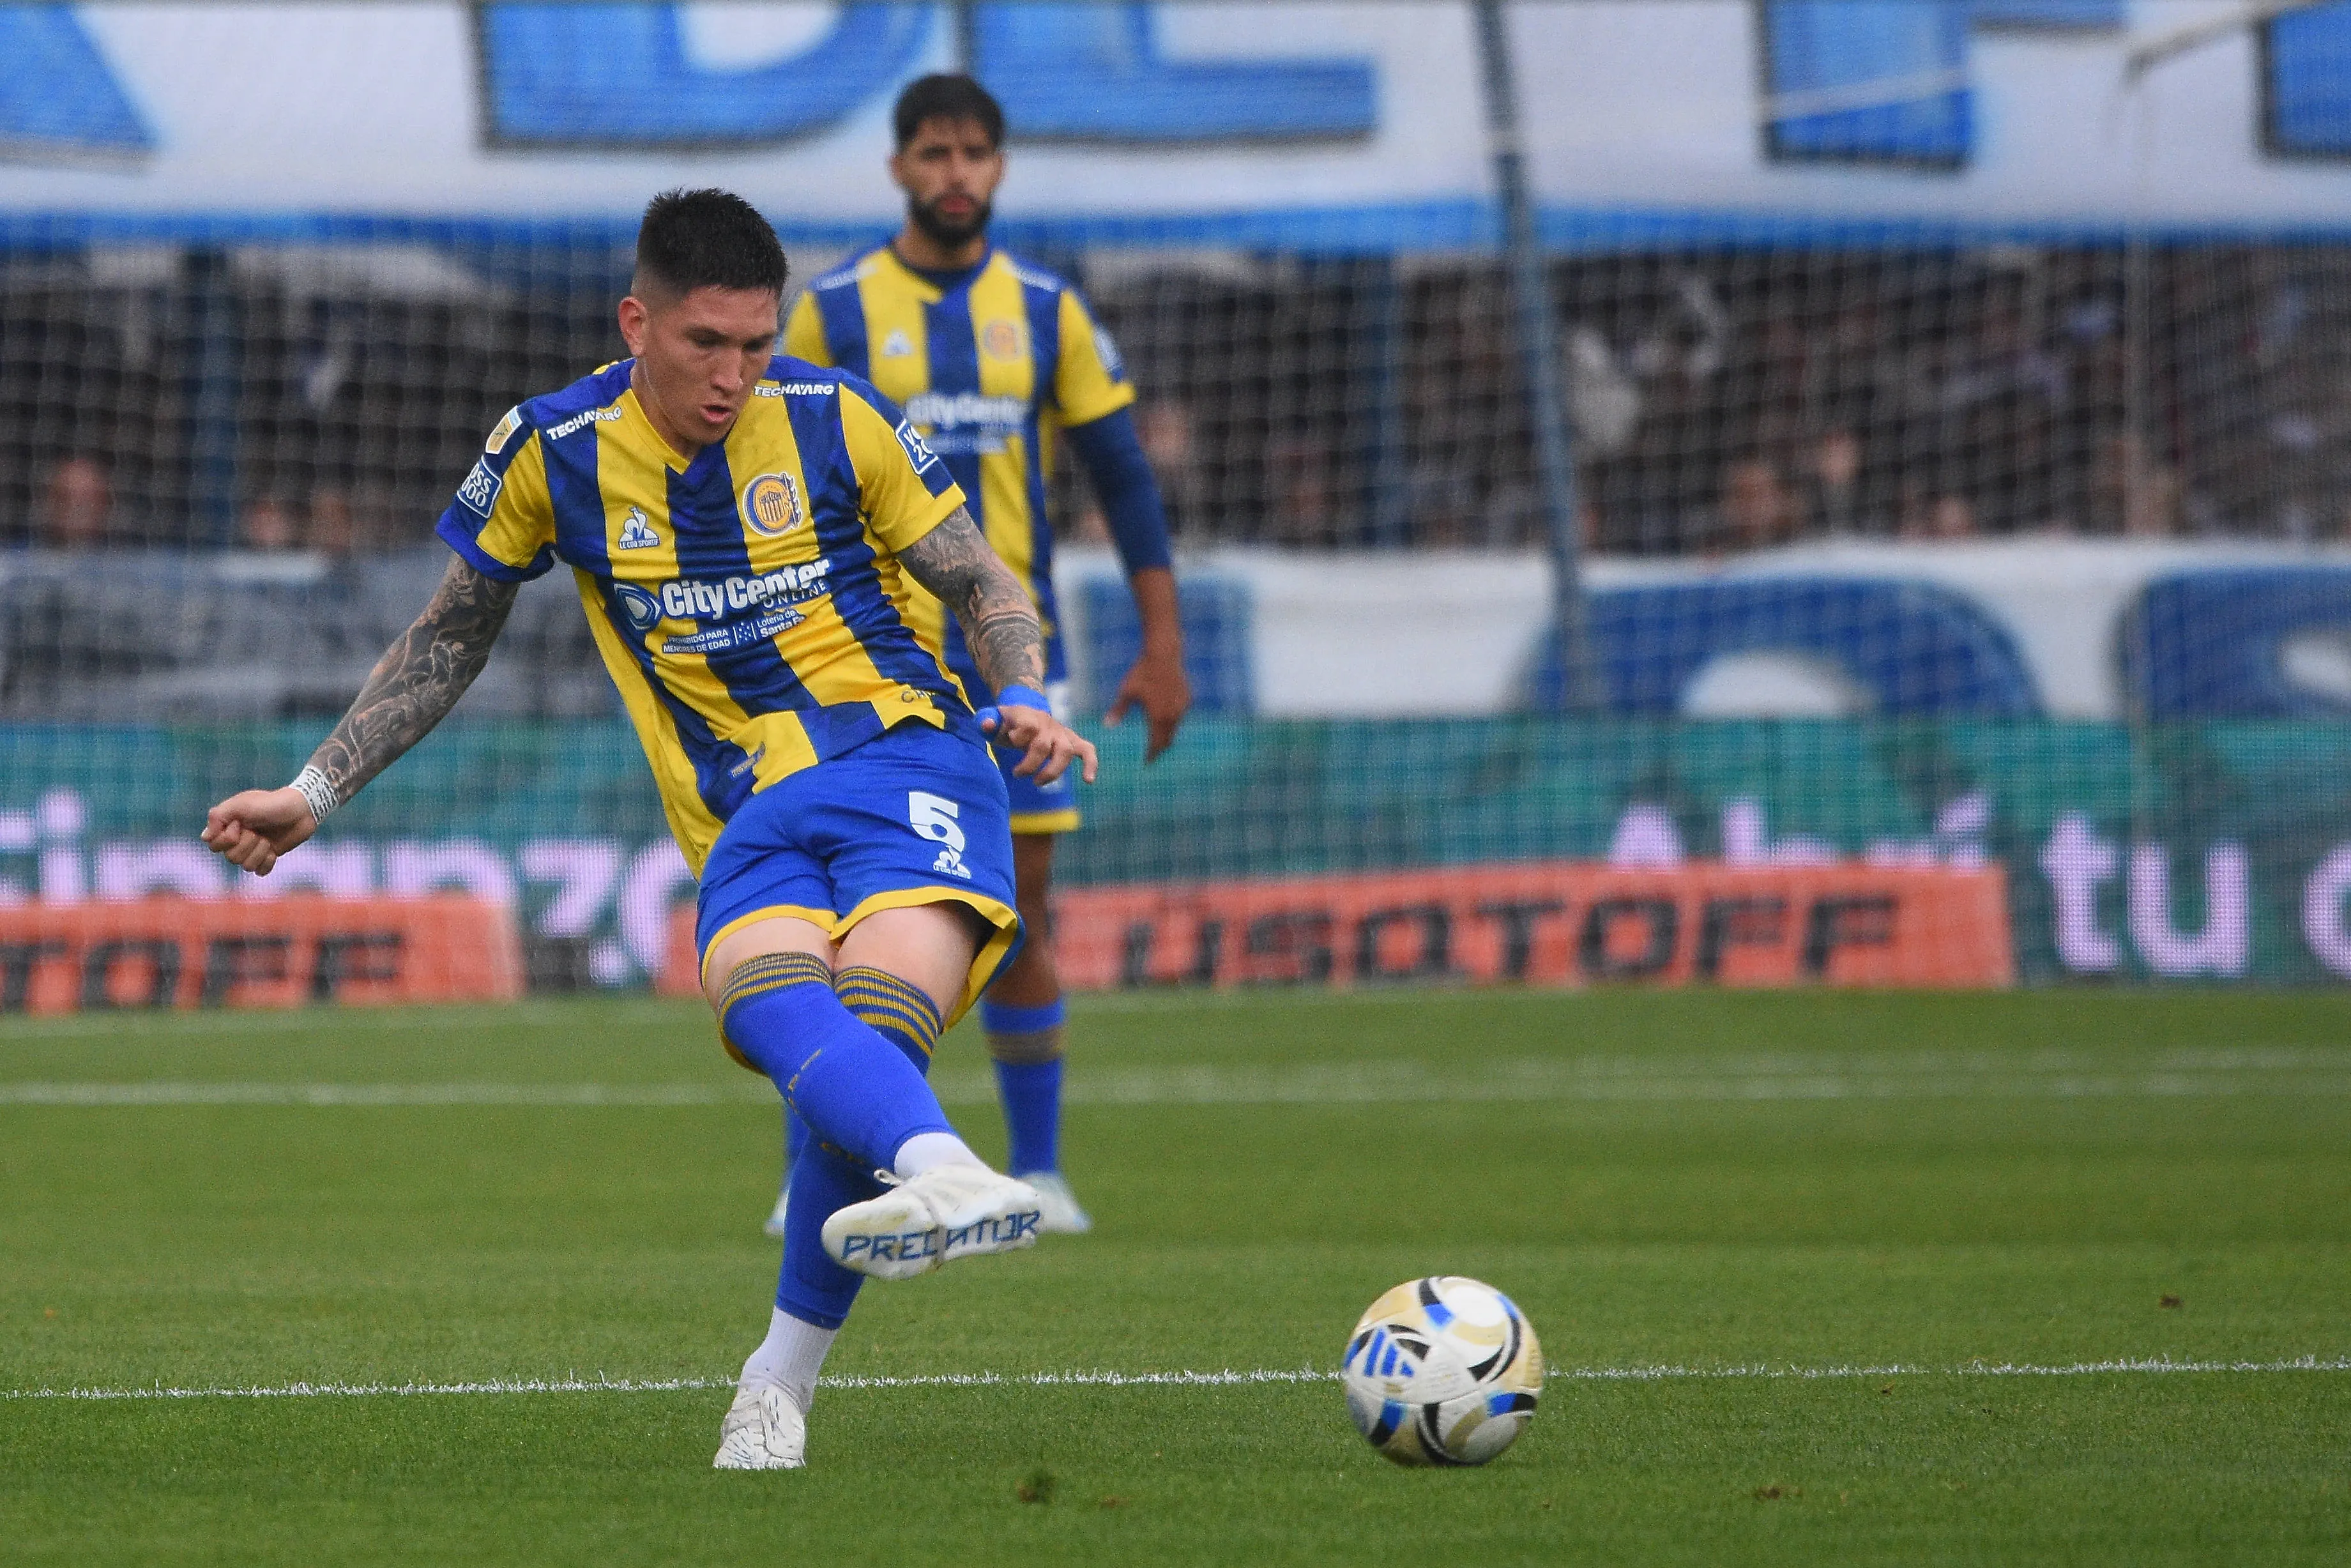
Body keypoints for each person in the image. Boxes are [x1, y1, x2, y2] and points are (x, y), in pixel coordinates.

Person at [197, 188, 1097, 1471]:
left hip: (910, 766)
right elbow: (449, 639)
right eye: (704, 345)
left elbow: (977, 574)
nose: (734, 375)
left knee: (877, 1025)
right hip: (748, 812)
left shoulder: (837, 420)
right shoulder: (548, 448)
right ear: (638, 322)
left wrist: (1020, 688)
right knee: (762, 1007)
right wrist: (314, 791)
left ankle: (777, 1384)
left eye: (756, 344)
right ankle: (941, 1169)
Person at [779, 73, 1189, 1237]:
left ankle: (1043, 1168)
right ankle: (818, 1161)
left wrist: (1163, 644)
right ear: (900, 167)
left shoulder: (1050, 311)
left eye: (975, 154)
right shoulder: (835, 310)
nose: (956, 173)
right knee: (831, 917)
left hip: (1017, 662)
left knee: (1022, 916)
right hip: (862, 662)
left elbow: (1122, 476)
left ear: (999, 168)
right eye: (934, 153)